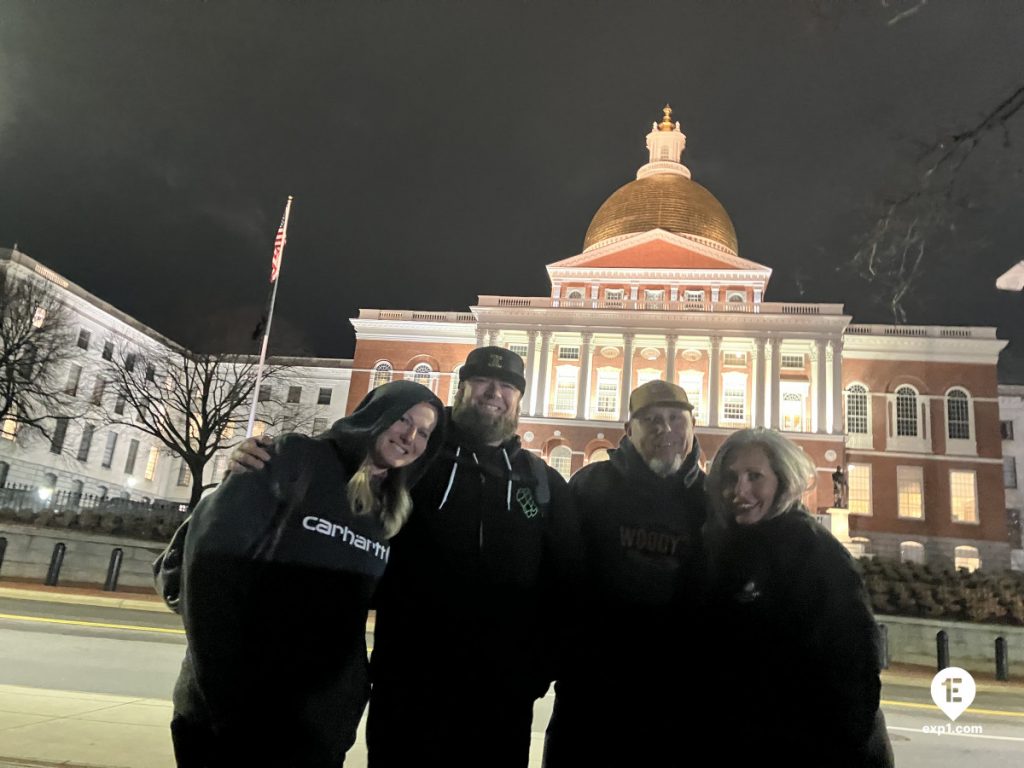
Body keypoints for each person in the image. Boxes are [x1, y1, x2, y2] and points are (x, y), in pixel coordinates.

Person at [230, 347, 579, 768]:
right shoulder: (412, 460)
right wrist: (266, 458)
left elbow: (567, 585)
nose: (494, 393)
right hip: (410, 687)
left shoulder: (543, 482)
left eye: (507, 386)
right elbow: (337, 459)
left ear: (518, 399)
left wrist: (535, 674)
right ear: (462, 387)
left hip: (501, 699)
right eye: (483, 381)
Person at [170, 380, 444, 768]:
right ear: (373, 415)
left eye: (424, 433)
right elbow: (207, 567)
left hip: (315, 729)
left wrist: (344, 704)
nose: (410, 436)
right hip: (234, 717)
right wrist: (227, 697)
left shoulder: (389, 513)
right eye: (403, 419)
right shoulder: (294, 458)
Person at [704, 428, 893, 767]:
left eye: (754, 476)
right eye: (731, 477)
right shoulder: (727, 543)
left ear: (783, 480)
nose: (739, 490)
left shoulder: (815, 552)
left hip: (813, 749)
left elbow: (853, 666)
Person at [543, 380, 708, 767]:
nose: (664, 430)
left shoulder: (713, 499)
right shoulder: (590, 486)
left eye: (674, 419)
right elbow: (556, 575)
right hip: (592, 693)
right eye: (650, 419)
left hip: (678, 698)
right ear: (628, 431)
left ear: (692, 426)